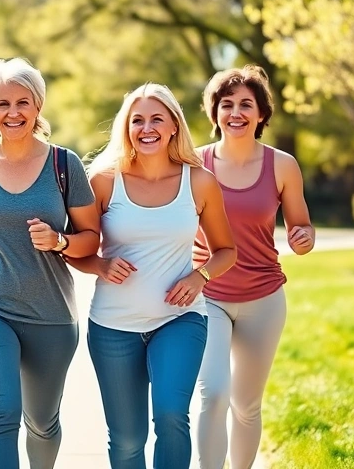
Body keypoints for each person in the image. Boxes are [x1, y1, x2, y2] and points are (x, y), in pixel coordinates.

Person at [68, 83, 236, 469]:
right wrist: (100, 265)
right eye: (137, 120)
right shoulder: (104, 182)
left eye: (156, 119)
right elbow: (76, 248)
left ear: (174, 126)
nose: (147, 128)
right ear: (126, 128)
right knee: (127, 440)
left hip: (179, 319)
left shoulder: (199, 181)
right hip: (113, 325)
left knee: (172, 414)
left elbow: (226, 250)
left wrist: (200, 278)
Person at [0, 57, 101, 469]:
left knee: (41, 422)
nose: (13, 112)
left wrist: (59, 241)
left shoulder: (64, 164)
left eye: (23, 102)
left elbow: (91, 239)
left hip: (50, 314)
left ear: (37, 106)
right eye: (2, 104)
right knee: (1, 414)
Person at [193, 64, 315, 469]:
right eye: (226, 104)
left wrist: (304, 238)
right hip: (207, 294)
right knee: (213, 395)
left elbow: (301, 225)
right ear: (215, 114)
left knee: (246, 405)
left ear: (261, 114)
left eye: (246, 104)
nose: (236, 112)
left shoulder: (282, 165)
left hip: (263, 299)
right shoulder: (194, 165)